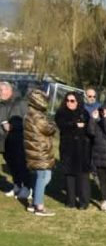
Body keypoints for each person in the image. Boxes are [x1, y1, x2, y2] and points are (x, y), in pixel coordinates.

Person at [23, 89, 57, 217]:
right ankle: (39, 206)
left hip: (35, 150)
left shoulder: (29, 114)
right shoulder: (37, 116)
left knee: (42, 177)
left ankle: (34, 203)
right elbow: (49, 129)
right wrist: (52, 123)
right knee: (43, 177)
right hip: (40, 151)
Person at [55, 91, 92, 209]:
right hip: (67, 148)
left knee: (83, 175)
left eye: (72, 101)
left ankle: (83, 201)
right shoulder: (61, 113)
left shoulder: (84, 113)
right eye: (67, 100)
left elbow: (89, 129)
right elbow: (62, 125)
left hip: (82, 148)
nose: (69, 103)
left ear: (77, 101)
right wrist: (74, 125)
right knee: (69, 174)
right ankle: (70, 201)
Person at [0, 81, 29, 199]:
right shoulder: (1, 104)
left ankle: (27, 188)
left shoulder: (20, 103)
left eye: (2, 90)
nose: (0, 93)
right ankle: (16, 186)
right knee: (11, 165)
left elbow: (27, 121)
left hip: (18, 140)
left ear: (9, 90)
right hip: (3, 141)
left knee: (21, 165)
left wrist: (13, 127)